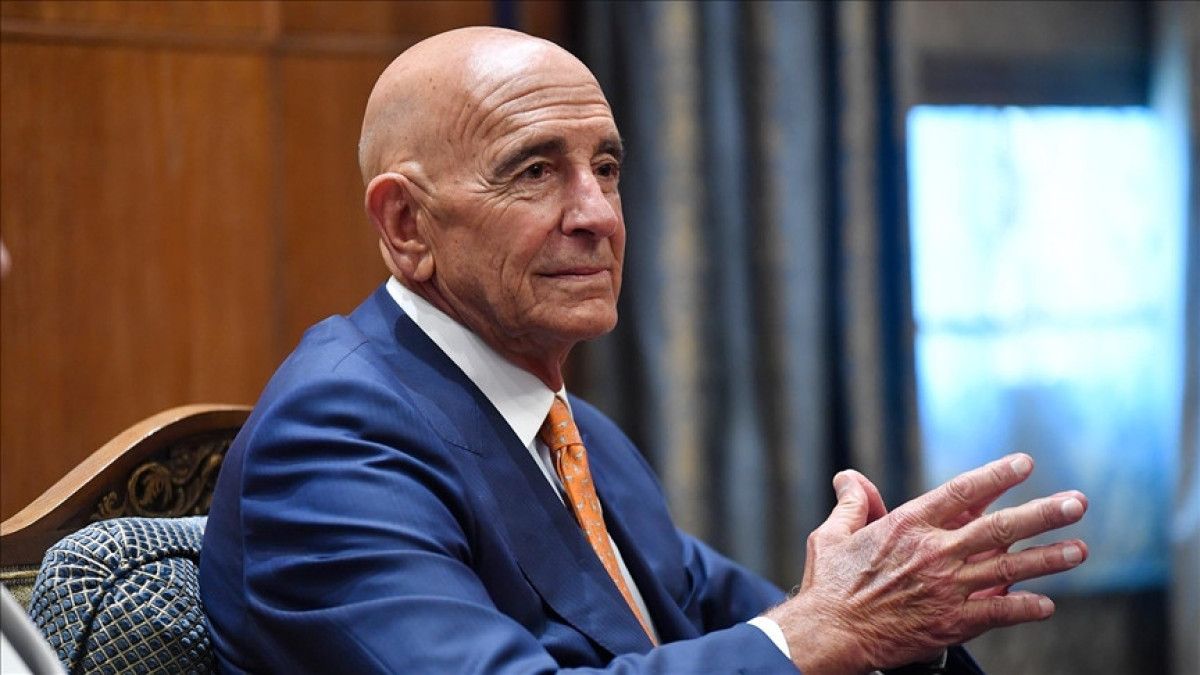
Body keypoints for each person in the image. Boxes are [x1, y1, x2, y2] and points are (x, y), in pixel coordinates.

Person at [199, 26, 1089, 674]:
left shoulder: (577, 433)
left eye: (607, 168)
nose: (597, 215)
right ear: (406, 225)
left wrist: (900, 624)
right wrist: (826, 627)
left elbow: (775, 627)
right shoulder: (331, 437)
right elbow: (795, 637)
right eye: (535, 171)